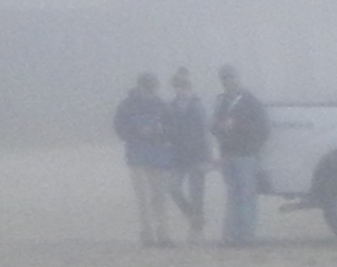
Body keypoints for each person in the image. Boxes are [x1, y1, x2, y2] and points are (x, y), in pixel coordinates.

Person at [113, 72, 177, 243]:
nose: (150, 92)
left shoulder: (161, 105)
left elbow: (172, 130)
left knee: (159, 197)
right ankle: (148, 234)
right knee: (144, 198)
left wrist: (159, 132)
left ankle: (163, 234)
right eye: (148, 88)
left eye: (152, 89)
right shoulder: (127, 106)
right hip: (137, 158)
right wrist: (138, 133)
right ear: (140, 87)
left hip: (159, 157)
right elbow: (119, 129)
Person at [209, 68, 269, 245]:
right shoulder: (221, 102)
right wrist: (219, 126)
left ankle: (246, 236)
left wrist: (240, 131)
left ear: (238, 78)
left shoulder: (251, 102)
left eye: (230, 77)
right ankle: (230, 235)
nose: (227, 81)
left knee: (247, 195)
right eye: (224, 78)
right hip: (227, 154)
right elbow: (213, 128)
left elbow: (262, 129)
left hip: (246, 156)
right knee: (233, 195)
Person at [162, 70, 211, 235]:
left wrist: (207, 157)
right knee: (172, 188)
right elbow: (166, 129)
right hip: (178, 156)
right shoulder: (170, 107)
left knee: (197, 194)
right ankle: (192, 215)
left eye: (184, 86)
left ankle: (196, 230)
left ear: (189, 87)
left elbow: (204, 133)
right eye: (177, 86)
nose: (181, 90)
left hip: (197, 155)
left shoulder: (198, 107)